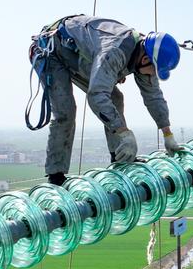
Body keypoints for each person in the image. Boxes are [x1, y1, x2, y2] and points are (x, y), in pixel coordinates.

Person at [28, 15, 183, 186]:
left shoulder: (144, 56)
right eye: (154, 71)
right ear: (146, 59)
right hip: (51, 51)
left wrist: (167, 134)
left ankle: (119, 159)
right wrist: (124, 132)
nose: (153, 76)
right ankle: (55, 176)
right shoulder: (115, 52)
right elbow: (96, 96)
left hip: (75, 53)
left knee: (116, 98)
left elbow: (153, 96)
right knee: (66, 111)